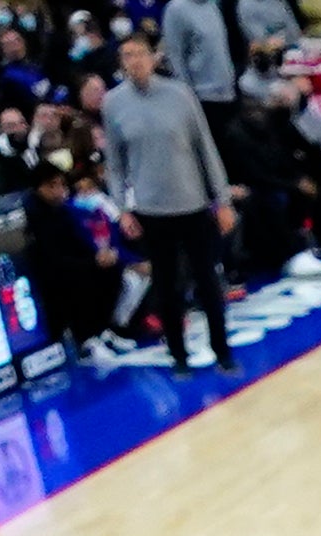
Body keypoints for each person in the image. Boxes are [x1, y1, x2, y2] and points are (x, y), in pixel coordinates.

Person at [98, 27, 236, 368]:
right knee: (167, 287)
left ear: (153, 58)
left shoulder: (181, 94)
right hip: (150, 210)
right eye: (127, 56)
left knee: (207, 282)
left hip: (193, 204)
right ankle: (178, 356)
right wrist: (121, 210)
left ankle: (222, 351)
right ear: (121, 62)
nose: (134, 62)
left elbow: (206, 149)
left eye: (139, 54)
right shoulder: (113, 103)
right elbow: (115, 165)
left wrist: (222, 201)